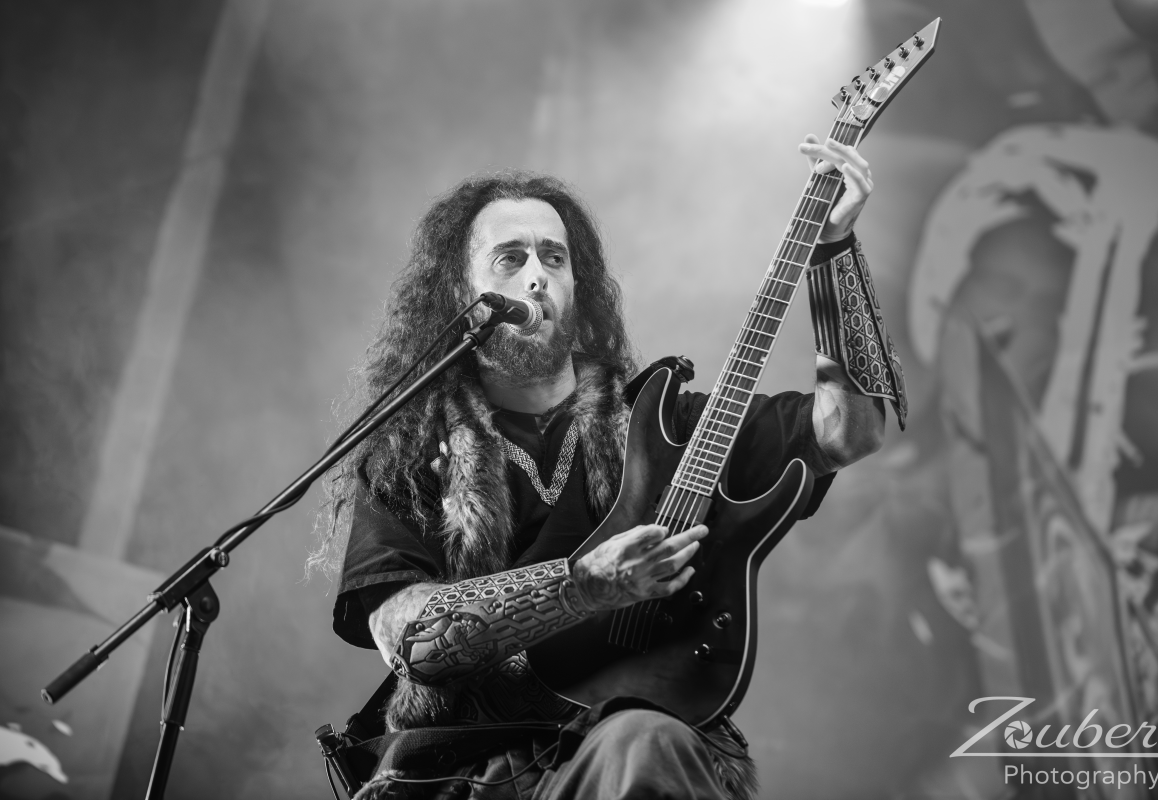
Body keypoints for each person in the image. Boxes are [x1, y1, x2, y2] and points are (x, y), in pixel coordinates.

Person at [309, 134, 906, 800]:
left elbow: (849, 431)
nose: (537, 275)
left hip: (637, 751)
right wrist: (583, 586)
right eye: (510, 258)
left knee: (644, 742)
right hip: (473, 772)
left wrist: (832, 250)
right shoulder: (410, 450)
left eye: (554, 257)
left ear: (577, 283)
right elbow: (405, 637)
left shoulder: (671, 426)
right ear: (458, 291)